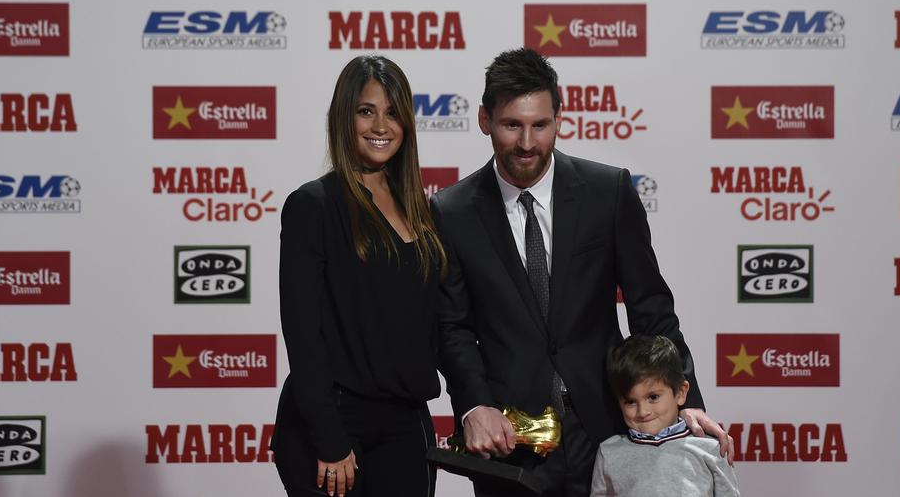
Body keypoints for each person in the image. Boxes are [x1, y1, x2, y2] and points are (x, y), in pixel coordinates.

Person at [432, 48, 733, 496]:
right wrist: (475, 404)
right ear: (483, 120)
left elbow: (650, 306)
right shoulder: (450, 211)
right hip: (511, 439)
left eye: (541, 125)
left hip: (609, 427)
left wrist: (688, 402)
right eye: (512, 125)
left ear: (560, 117)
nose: (528, 143)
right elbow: (452, 327)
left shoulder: (606, 192)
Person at [272, 55, 446, 497]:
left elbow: (435, 324)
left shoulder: (420, 210)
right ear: (343, 117)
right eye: (366, 111)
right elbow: (303, 334)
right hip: (331, 423)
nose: (380, 125)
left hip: (404, 422)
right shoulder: (313, 206)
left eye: (393, 113)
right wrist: (329, 439)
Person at [590, 336, 740, 497]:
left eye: (653, 397)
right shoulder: (609, 452)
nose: (643, 411)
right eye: (630, 402)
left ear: (681, 392)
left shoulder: (711, 449)